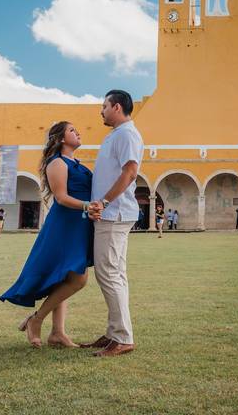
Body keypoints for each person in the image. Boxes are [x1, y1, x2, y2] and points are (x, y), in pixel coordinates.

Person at [0, 121, 93, 349]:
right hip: (64, 225)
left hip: (79, 224)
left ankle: (57, 333)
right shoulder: (57, 163)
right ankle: (36, 320)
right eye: (72, 130)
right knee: (78, 279)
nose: (77, 132)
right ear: (60, 138)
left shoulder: (77, 164)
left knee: (64, 278)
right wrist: (88, 206)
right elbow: (61, 197)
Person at [82, 90, 144, 358]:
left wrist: (104, 202)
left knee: (108, 274)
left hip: (114, 214)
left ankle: (122, 338)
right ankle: (114, 333)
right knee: (115, 274)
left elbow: (130, 173)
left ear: (116, 107)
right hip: (111, 213)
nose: (101, 111)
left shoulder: (128, 134)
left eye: (104, 106)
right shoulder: (116, 135)